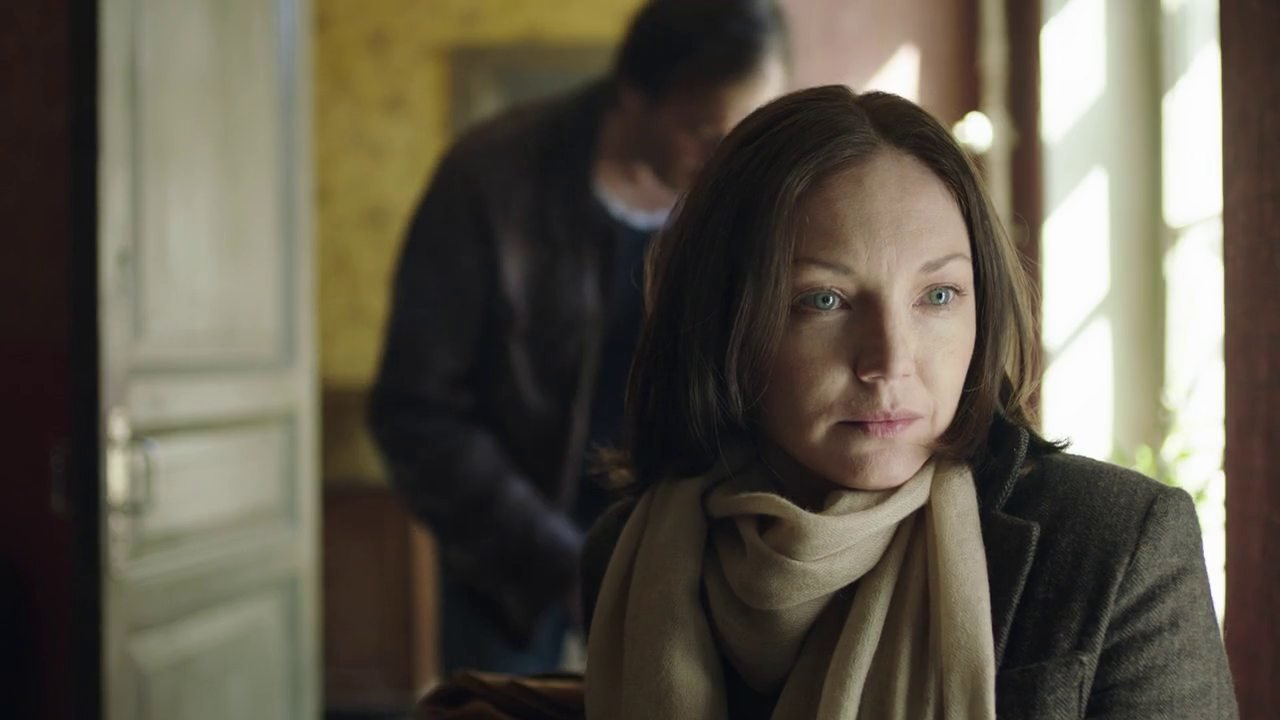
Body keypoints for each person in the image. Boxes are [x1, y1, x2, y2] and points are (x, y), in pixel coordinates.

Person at [580, 86, 1238, 719]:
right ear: (723, 319)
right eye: (824, 300)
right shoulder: (630, 556)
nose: (890, 361)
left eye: (938, 296)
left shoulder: (1115, 545)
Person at [369, 0, 790, 675]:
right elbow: (415, 407)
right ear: (634, 94)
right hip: (510, 556)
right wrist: (557, 561)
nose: (728, 159)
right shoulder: (491, 179)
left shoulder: (748, 194)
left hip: (687, 547)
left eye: (748, 132)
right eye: (701, 131)